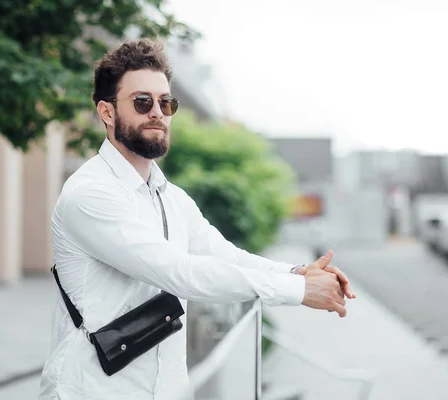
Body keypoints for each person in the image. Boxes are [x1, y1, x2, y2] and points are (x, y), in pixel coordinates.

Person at [38, 38, 356, 400]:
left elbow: (225, 256)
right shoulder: (90, 194)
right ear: (107, 112)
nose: (157, 112)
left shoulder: (171, 198)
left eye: (166, 103)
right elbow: (180, 273)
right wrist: (298, 292)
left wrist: (297, 272)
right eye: (142, 102)